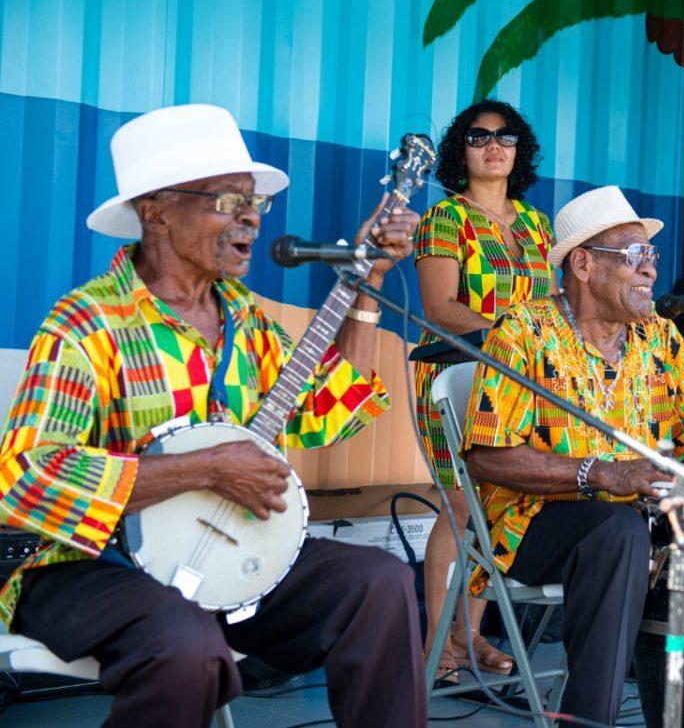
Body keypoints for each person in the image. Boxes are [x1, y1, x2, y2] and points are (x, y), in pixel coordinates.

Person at [0, 104, 426, 727]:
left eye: (255, 202)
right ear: (156, 212)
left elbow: (328, 412)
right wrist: (205, 469)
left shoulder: (246, 319)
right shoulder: (86, 324)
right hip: (87, 568)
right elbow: (26, 477)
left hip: (226, 562)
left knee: (379, 582)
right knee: (188, 645)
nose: (251, 216)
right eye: (228, 200)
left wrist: (370, 284)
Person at [461, 185, 684, 725]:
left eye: (650, 254)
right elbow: (487, 458)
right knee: (618, 533)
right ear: (582, 265)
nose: (649, 269)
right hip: (533, 522)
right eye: (632, 254)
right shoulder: (523, 332)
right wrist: (602, 473)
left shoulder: (659, 336)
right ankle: (588, 719)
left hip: (639, 513)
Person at [414, 100, 555, 682]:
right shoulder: (445, 218)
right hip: (457, 375)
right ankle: (436, 644)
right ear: (461, 150)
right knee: (459, 504)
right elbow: (440, 307)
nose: (493, 145)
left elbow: (553, 305)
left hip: (522, 384)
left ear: (520, 149)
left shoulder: (538, 225)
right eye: (479, 136)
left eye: (506, 136)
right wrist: (512, 342)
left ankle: (470, 635)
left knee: (498, 504)